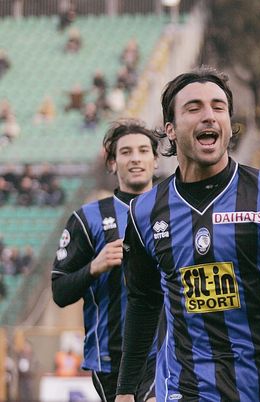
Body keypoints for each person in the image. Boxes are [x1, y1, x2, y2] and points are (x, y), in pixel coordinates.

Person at [115, 66, 260, 402]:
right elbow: (142, 302)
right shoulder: (145, 212)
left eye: (218, 107)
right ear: (169, 128)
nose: (209, 116)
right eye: (193, 108)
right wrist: (126, 390)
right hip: (187, 390)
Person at [51, 119, 160, 402]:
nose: (135, 158)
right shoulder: (87, 220)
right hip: (112, 357)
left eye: (143, 150)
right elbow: (60, 292)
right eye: (125, 152)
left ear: (155, 160)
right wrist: (94, 267)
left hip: (168, 350)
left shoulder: (176, 211)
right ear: (112, 163)